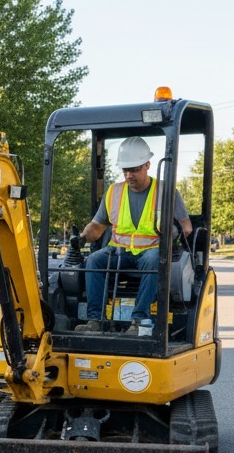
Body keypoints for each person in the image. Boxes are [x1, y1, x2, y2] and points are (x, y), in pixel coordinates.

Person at [76, 136, 192, 333]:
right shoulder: (114, 191)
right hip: (119, 252)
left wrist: (173, 233)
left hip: (151, 251)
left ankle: (140, 321)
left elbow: (186, 226)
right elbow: (98, 225)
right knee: (94, 260)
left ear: (147, 165)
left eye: (135, 169)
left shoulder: (166, 191)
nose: (129, 175)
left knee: (154, 259)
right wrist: (82, 237)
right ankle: (95, 320)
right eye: (126, 170)